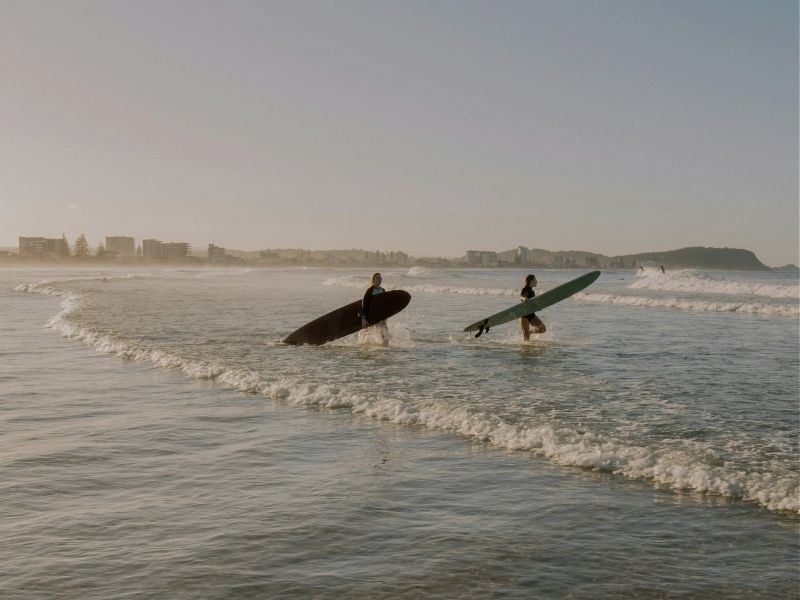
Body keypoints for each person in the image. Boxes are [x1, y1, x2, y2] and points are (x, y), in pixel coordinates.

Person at [361, 272, 389, 345]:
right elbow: (364, 304)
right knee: (368, 333)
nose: (379, 280)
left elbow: (384, 304)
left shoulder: (383, 290)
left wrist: (385, 316)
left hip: (380, 316)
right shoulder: (370, 290)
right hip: (371, 315)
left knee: (385, 335)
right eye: (377, 278)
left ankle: (384, 348)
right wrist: (364, 318)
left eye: (380, 278)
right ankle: (364, 345)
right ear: (373, 280)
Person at [519, 274, 546, 341]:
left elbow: (532, 303)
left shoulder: (532, 292)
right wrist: (524, 298)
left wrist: (537, 307)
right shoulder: (525, 289)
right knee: (526, 339)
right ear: (531, 281)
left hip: (531, 314)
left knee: (542, 329)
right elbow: (521, 296)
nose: (537, 281)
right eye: (535, 280)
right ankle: (525, 349)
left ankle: (529, 332)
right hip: (524, 315)